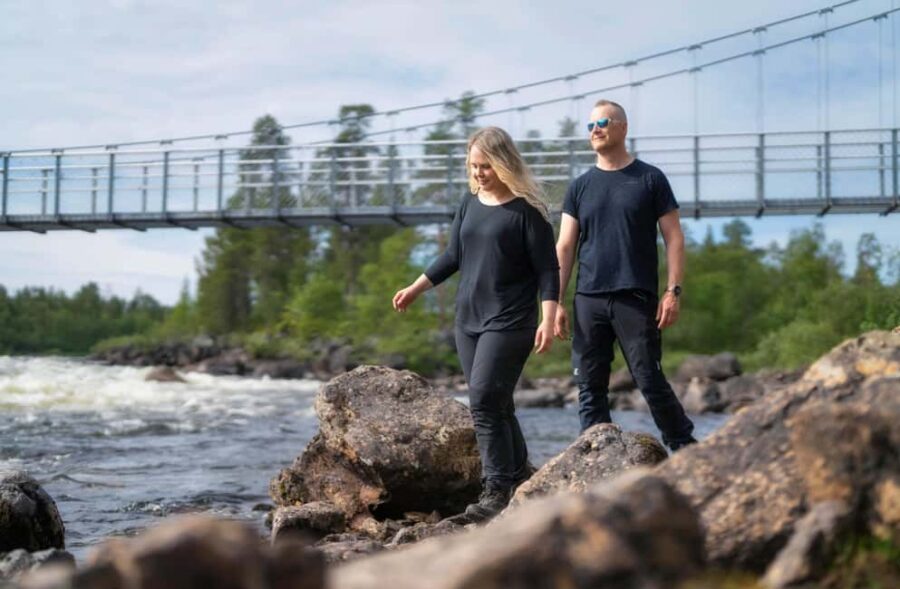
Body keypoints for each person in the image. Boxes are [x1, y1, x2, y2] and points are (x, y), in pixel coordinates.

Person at [393, 126, 560, 520]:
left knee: (483, 400)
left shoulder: (528, 212)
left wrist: (549, 316)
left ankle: (495, 491)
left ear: (504, 163)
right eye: (473, 166)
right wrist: (416, 287)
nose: (478, 173)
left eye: (485, 166)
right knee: (497, 403)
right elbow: (452, 256)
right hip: (467, 319)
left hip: (510, 320)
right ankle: (518, 476)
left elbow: (548, 271)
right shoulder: (469, 204)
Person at [554, 99, 697, 451]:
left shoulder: (650, 178)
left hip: (635, 295)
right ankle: (597, 456)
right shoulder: (580, 187)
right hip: (588, 297)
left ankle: (685, 448)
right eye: (590, 125)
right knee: (589, 386)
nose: (595, 130)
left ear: (623, 127)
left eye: (602, 122)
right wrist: (554, 301)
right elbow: (565, 247)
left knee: (649, 378)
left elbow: (674, 238)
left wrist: (673, 291)